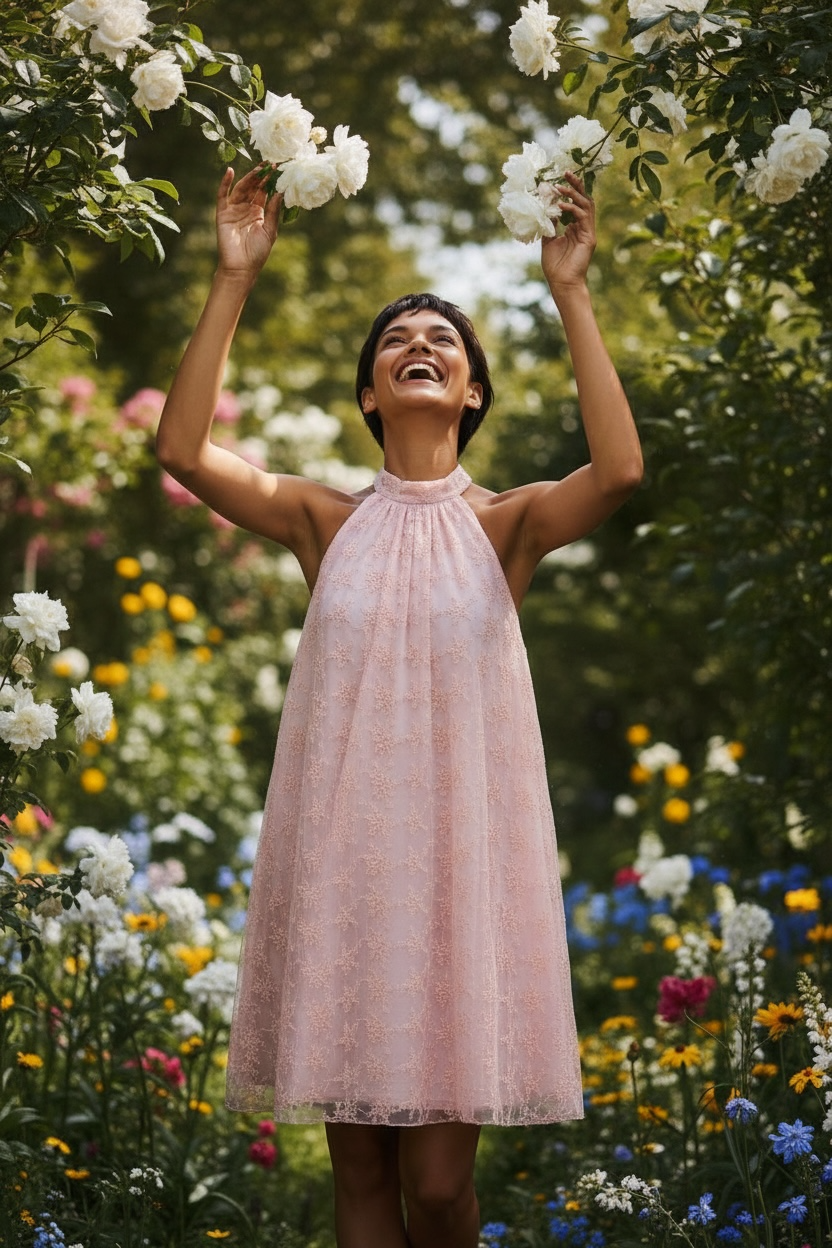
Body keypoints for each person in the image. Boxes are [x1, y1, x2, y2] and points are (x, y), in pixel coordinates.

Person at [156, 164, 642, 1248]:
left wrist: (571, 290)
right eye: (395, 340)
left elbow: (616, 473)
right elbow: (182, 452)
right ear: (371, 393)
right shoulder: (321, 522)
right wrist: (234, 275)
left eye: (443, 340)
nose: (418, 343)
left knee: (435, 1187)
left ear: (469, 392)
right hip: (347, 869)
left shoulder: (504, 523)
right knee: (364, 1171)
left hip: (460, 876)